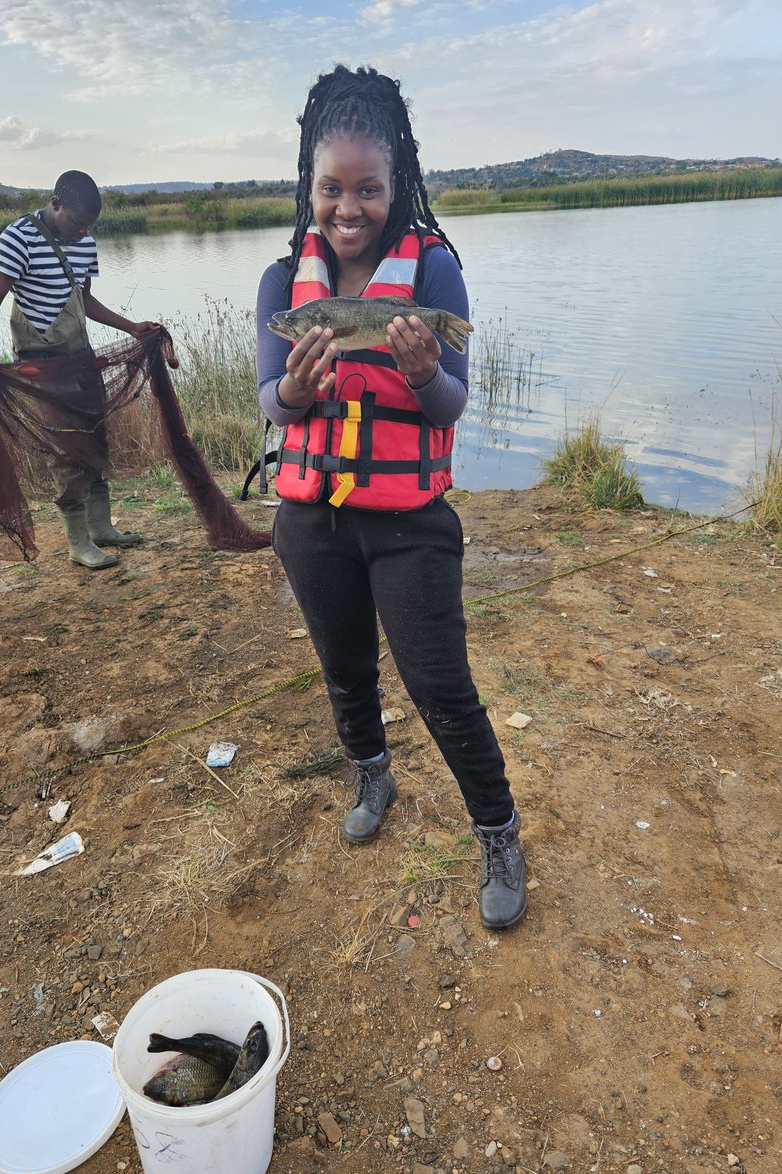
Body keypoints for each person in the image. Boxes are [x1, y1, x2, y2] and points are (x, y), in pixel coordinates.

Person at [255, 65, 527, 930]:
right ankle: (372, 769)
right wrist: (294, 393)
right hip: (311, 520)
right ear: (309, 184)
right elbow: (270, 396)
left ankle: (497, 828)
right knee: (344, 669)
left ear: (395, 184)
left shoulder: (434, 274)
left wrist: (422, 371)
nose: (348, 208)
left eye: (368, 190)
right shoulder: (280, 284)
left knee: (440, 684)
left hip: (409, 523)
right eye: (330, 189)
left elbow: (451, 400)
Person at [0, 169, 156, 569]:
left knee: (95, 436)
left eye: (88, 225)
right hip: (41, 365)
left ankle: (102, 528)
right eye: (76, 222)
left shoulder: (84, 240)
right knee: (67, 446)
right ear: (56, 204)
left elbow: (83, 301)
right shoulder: (18, 237)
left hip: (80, 354)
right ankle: (78, 544)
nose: (81, 232)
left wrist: (130, 326)